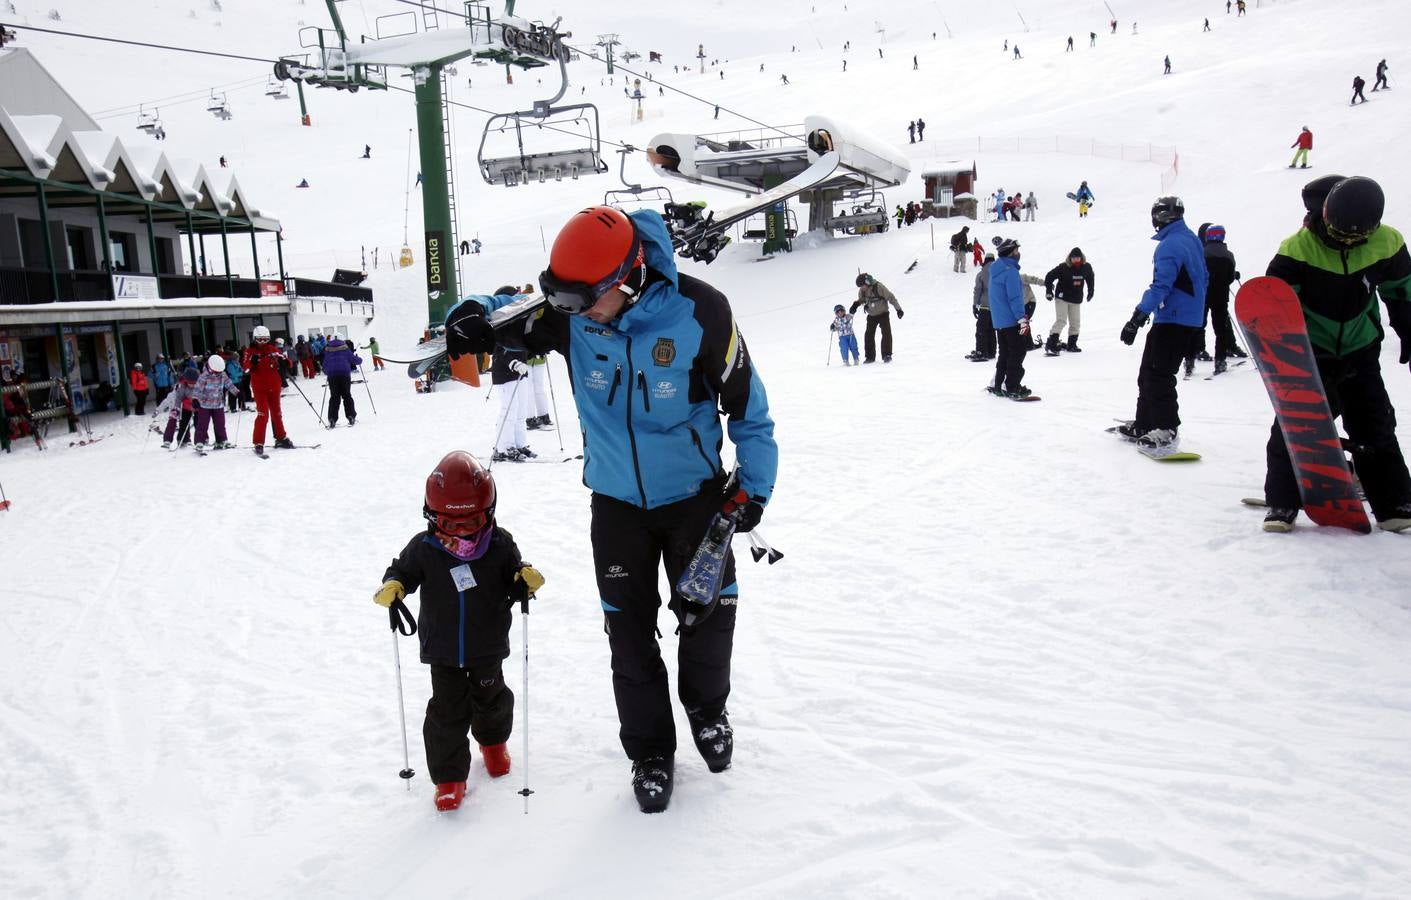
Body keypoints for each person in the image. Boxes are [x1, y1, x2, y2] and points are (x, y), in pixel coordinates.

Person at [441, 205, 778, 814]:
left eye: (581, 302)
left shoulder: (703, 313)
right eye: (561, 303)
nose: (570, 316)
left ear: (627, 278)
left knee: (707, 619)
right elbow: (507, 315)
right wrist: (471, 317)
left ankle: (707, 710)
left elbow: (749, 410)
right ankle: (649, 750)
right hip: (617, 506)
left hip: (696, 503)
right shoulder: (570, 315)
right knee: (627, 635)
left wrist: (753, 488)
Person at [373, 450, 544, 812]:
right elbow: (403, 570)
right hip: (443, 648)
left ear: (490, 513)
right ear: (433, 518)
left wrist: (523, 580)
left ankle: (494, 743)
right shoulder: (424, 547)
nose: (463, 531)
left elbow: (514, 579)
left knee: (491, 698)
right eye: (451, 525)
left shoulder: (499, 544)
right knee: (446, 712)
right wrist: (394, 584)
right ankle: (449, 778)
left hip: (488, 643)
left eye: (472, 522)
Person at [1261, 176, 1411, 532]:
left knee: (1374, 421)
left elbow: (1402, 289)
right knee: (1296, 423)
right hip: (1311, 353)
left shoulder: (1387, 243)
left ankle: (1394, 502)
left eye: (1353, 238)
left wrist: (1407, 329)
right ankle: (1283, 501)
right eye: (1337, 232)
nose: (1343, 240)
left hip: (1360, 347)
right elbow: (1274, 301)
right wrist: (1279, 348)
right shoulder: (1297, 249)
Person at [1116, 197, 1208, 451]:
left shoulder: (1170, 246)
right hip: (1180, 317)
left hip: (1174, 319)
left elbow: (1161, 286)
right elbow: (1204, 278)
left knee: (1158, 374)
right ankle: (1146, 423)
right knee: (1148, 372)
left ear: (1161, 217)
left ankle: (1166, 427)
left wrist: (1137, 317)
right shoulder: (1190, 240)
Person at [1191, 224, 1244, 375]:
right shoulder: (1228, 255)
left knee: (1199, 323)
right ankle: (1221, 358)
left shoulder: (1201, 253)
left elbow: (1196, 273)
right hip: (1221, 296)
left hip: (1203, 295)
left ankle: (1194, 353)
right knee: (1221, 327)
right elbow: (1229, 276)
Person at [987, 238, 1032, 398]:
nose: (1018, 254)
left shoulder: (996, 270)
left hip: (999, 321)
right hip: (1011, 320)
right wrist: (1021, 318)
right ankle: (1011, 385)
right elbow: (1014, 297)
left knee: (1005, 353)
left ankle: (997, 383)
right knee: (1018, 351)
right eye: (1016, 251)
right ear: (1011, 253)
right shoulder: (1010, 271)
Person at [242, 325, 295, 455]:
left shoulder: (273, 349)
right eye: (259, 340)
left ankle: (281, 437)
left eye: (265, 339)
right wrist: (252, 362)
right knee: (263, 414)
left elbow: (289, 362)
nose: (262, 342)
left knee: (277, 413)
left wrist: (285, 362)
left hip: (274, 386)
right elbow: (245, 369)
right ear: (255, 339)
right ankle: (258, 442)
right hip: (260, 388)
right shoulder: (250, 351)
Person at [1043, 248, 1095, 354]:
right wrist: (1049, 291)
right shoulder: (1063, 267)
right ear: (1070, 258)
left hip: (1076, 299)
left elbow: (1090, 278)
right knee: (1061, 320)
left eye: (1077, 258)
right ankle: (1052, 343)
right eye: (1073, 258)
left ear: (1081, 258)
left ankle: (1072, 345)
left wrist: (1091, 291)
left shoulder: (1086, 267)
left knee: (1075, 323)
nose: (1075, 260)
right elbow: (1049, 277)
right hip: (1062, 298)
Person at [489, 333, 532, 462]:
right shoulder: (502, 322)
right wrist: (514, 363)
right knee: (509, 411)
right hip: (504, 374)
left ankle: (520, 445)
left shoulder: (521, 322)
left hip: (521, 372)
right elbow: (497, 349)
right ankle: (504, 448)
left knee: (521, 410)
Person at [849, 272, 904, 363]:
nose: (861, 288)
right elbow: (862, 300)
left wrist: (898, 309)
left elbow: (891, 297)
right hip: (872, 315)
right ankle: (869, 357)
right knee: (868, 335)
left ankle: (887, 355)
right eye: (860, 287)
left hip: (883, 313)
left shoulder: (879, 287)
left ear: (867, 282)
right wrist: (855, 305)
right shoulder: (862, 291)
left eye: (862, 286)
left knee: (886, 333)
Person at [192, 355, 238, 451]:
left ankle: (221, 440)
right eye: (217, 371)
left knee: (220, 424)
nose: (218, 373)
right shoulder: (204, 376)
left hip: (218, 404)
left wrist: (237, 392)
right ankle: (199, 442)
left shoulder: (222, 374)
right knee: (202, 424)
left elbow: (228, 383)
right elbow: (197, 388)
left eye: (220, 371)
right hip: (205, 405)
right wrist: (195, 399)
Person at [322, 335, 362, 427]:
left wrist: (327, 371)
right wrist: (360, 359)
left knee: (334, 397)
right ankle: (351, 416)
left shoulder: (327, 350)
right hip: (344, 375)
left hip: (332, 376)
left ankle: (332, 419)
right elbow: (354, 360)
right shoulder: (345, 349)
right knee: (347, 396)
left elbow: (324, 365)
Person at [159, 366, 200, 448]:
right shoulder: (182, 387)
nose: (192, 385)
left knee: (198, 424)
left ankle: (200, 440)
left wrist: (199, 403)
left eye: (194, 383)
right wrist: (177, 409)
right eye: (190, 383)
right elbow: (178, 399)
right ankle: (182, 440)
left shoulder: (199, 385)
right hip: (185, 408)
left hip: (197, 408)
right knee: (183, 424)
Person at [967, 252, 997, 362]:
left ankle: (981, 351)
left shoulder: (982, 273)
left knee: (981, 329)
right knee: (991, 329)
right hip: (996, 307)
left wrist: (975, 305)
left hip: (985, 306)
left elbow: (978, 290)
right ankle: (991, 351)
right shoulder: (999, 271)